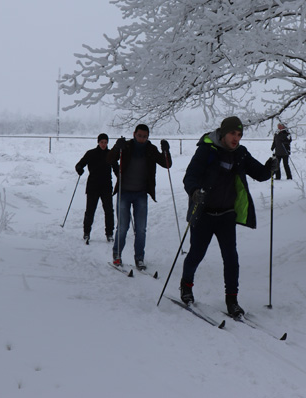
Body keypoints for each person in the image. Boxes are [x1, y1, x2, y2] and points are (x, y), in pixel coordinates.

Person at [179, 116, 275, 317]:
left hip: (226, 215)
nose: (236, 138)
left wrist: (270, 168)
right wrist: (195, 191)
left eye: (239, 134)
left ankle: (232, 300)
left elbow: (259, 173)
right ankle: (186, 286)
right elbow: (190, 176)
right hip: (204, 213)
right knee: (196, 254)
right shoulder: (207, 150)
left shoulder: (240, 153)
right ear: (223, 133)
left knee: (231, 258)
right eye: (232, 133)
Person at [107, 124, 171, 270]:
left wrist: (166, 151)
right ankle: (117, 255)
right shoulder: (126, 147)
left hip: (141, 194)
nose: (142, 139)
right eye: (139, 135)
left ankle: (139, 258)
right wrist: (116, 147)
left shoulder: (151, 149)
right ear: (134, 134)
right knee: (122, 227)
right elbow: (109, 160)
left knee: (141, 229)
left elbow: (166, 164)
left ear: (148, 137)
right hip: (124, 192)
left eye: (145, 136)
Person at [75, 133, 118, 243]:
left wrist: (121, 176)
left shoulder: (110, 154)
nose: (103, 144)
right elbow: (80, 164)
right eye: (102, 142)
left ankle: (109, 233)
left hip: (106, 186)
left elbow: (116, 168)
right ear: (98, 142)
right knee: (90, 211)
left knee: (109, 211)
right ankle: (86, 232)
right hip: (93, 186)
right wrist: (79, 168)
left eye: (105, 142)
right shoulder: (91, 153)